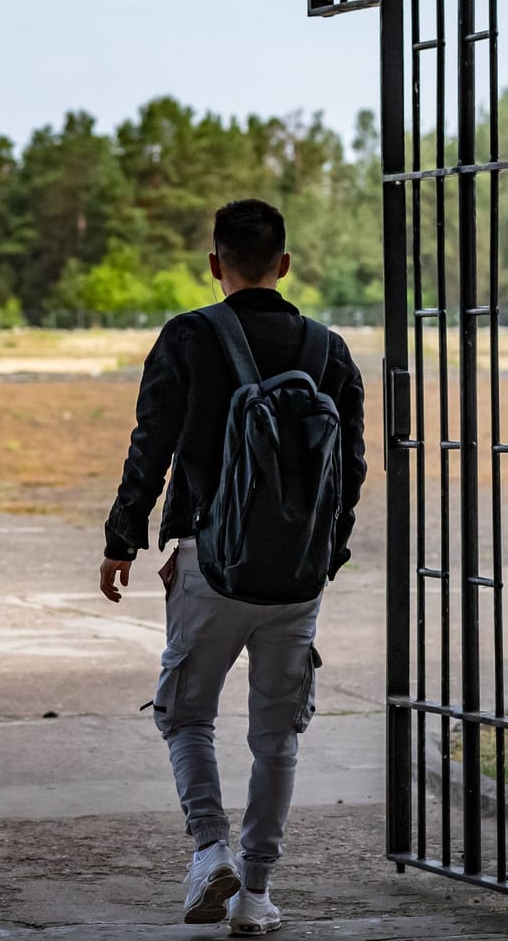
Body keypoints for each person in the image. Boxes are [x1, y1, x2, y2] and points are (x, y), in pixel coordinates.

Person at [99, 198, 367, 934]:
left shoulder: (188, 338)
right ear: (284, 264)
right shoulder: (329, 350)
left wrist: (124, 539)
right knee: (276, 738)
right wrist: (324, 557)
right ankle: (254, 896)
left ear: (214, 264)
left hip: (206, 566)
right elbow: (351, 470)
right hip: (296, 584)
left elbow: (149, 446)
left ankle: (207, 848)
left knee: (186, 715)